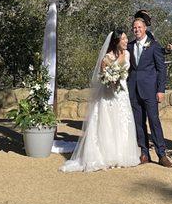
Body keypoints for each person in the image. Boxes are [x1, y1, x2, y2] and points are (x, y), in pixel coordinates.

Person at [60, 30, 140, 172]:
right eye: (123, 39)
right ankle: (106, 156)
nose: (126, 41)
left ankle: (121, 155)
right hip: (108, 95)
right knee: (107, 123)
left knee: (122, 122)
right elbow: (102, 78)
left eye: (127, 38)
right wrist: (111, 81)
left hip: (122, 95)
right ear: (116, 41)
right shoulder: (106, 58)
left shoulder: (127, 54)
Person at [127, 17, 172, 168]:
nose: (137, 30)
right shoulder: (129, 46)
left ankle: (161, 154)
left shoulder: (154, 46)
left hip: (150, 91)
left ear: (145, 28)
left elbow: (161, 70)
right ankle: (144, 153)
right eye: (135, 27)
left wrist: (161, 90)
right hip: (133, 90)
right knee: (138, 123)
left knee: (154, 121)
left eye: (139, 27)